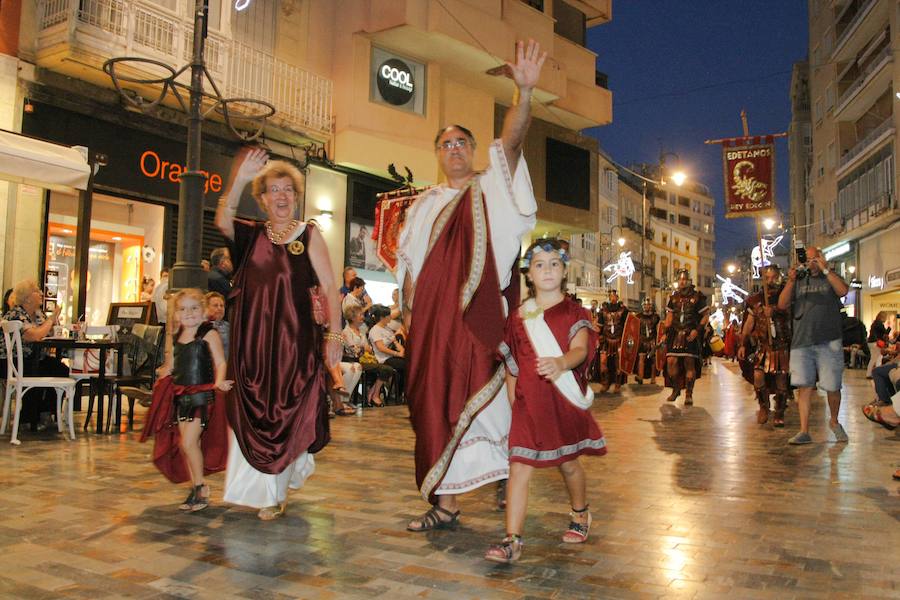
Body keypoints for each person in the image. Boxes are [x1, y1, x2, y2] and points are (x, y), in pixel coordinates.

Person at [397, 39, 544, 531]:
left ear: (473, 150)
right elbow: (410, 270)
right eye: (446, 144)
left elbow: (514, 145)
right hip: (429, 331)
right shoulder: (423, 205)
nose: (454, 149)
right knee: (432, 408)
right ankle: (446, 505)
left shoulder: (490, 192)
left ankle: (507, 474)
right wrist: (407, 313)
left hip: (474, 325)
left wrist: (523, 94)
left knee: (480, 402)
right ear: (437, 153)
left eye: (462, 142)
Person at [215, 147, 341, 520]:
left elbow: (330, 287)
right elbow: (222, 218)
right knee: (255, 410)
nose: (282, 196)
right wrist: (239, 178)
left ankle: (273, 492)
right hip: (252, 345)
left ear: (296, 196)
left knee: (284, 412)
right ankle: (259, 489)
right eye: (274, 190)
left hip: (293, 345)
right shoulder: (250, 236)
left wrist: (334, 335)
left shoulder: (310, 235)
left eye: (288, 189)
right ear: (263, 199)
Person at [485, 240, 606, 563]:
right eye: (540, 264)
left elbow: (580, 348)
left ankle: (581, 514)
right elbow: (511, 359)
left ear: (565, 271)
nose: (547, 270)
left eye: (554, 263)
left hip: (561, 402)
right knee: (519, 468)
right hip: (527, 404)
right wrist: (513, 396)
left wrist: (561, 363)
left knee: (568, 465)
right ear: (529, 274)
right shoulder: (519, 316)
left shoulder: (576, 312)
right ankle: (512, 540)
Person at [151, 289, 232, 511]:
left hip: (202, 396)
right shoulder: (178, 336)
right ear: (176, 314)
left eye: (194, 308)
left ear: (204, 311)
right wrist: (164, 371)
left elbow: (221, 362)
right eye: (183, 309)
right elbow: (174, 364)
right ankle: (197, 487)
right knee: (186, 444)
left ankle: (201, 487)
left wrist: (219, 382)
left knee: (188, 442)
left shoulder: (208, 334)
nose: (189, 313)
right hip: (182, 396)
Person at [777, 246, 850, 445]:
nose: (810, 263)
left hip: (829, 340)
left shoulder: (830, 276)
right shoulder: (798, 280)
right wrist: (791, 280)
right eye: (806, 259)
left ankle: (834, 422)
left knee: (832, 386)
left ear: (821, 257)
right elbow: (782, 305)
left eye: (813, 258)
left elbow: (843, 290)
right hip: (802, 342)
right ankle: (804, 430)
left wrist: (826, 270)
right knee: (804, 387)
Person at [0, 280, 67, 429]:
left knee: (60, 369)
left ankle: (45, 412)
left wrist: (52, 322)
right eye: (37, 291)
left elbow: (47, 331)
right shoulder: (16, 314)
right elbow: (34, 336)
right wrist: (50, 320)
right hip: (13, 362)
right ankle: (29, 417)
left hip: (32, 359)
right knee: (38, 370)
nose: (42, 293)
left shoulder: (37, 314)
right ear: (28, 297)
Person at [738, 265, 792, 426]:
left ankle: (780, 411)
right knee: (758, 376)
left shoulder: (787, 295)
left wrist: (774, 311)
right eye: (767, 278)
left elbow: (791, 313)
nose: (770, 281)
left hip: (782, 345)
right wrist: (743, 343)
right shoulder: (756, 300)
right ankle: (763, 406)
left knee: (781, 378)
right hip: (763, 346)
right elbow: (749, 323)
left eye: (774, 277)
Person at [662, 269, 709, 406]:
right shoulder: (673, 298)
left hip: (690, 334)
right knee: (671, 362)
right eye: (680, 279)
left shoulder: (697, 297)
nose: (682, 281)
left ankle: (689, 393)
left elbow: (705, 315)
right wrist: (665, 332)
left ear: (689, 281)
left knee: (689, 363)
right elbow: (669, 317)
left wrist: (697, 330)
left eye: (684, 279)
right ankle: (676, 388)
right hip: (675, 334)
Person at [342, 305, 391, 407]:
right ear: (352, 317)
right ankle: (346, 400)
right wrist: (363, 348)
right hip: (351, 360)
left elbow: (368, 349)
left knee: (387, 369)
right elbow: (355, 351)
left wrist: (362, 348)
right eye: (360, 314)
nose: (363, 317)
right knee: (383, 368)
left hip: (362, 360)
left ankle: (372, 394)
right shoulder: (346, 332)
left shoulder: (362, 332)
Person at [368, 304, 405, 394]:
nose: (390, 317)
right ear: (382, 317)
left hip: (391, 356)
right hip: (383, 359)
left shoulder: (387, 329)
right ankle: (399, 393)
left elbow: (395, 342)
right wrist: (397, 354)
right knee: (407, 365)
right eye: (388, 315)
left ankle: (401, 392)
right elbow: (381, 348)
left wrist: (402, 351)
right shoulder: (375, 330)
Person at [596, 289, 628, 393]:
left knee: (618, 363)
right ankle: (605, 383)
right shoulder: (603, 310)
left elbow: (628, 325)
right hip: (606, 340)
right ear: (609, 297)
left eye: (615, 296)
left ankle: (618, 384)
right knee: (603, 362)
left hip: (619, 339)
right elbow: (599, 326)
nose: (613, 297)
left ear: (617, 297)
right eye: (611, 296)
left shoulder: (623, 310)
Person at [633, 296, 660, 385]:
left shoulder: (656, 317)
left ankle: (653, 378)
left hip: (652, 340)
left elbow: (659, 329)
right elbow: (634, 329)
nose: (646, 306)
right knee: (641, 358)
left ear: (651, 306)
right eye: (644, 305)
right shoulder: (638, 316)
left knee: (653, 359)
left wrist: (658, 340)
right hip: (642, 340)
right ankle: (640, 377)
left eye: (648, 305)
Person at [204, 291, 229, 357]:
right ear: (205, 308)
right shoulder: (198, 327)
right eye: (215, 305)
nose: (219, 308)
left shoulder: (230, 327)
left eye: (222, 306)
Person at [867, 311, 891, 377]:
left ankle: (871, 373)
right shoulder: (879, 324)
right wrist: (889, 328)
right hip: (876, 343)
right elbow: (885, 333)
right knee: (878, 358)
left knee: (874, 358)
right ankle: (876, 374)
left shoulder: (874, 323)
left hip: (871, 342)